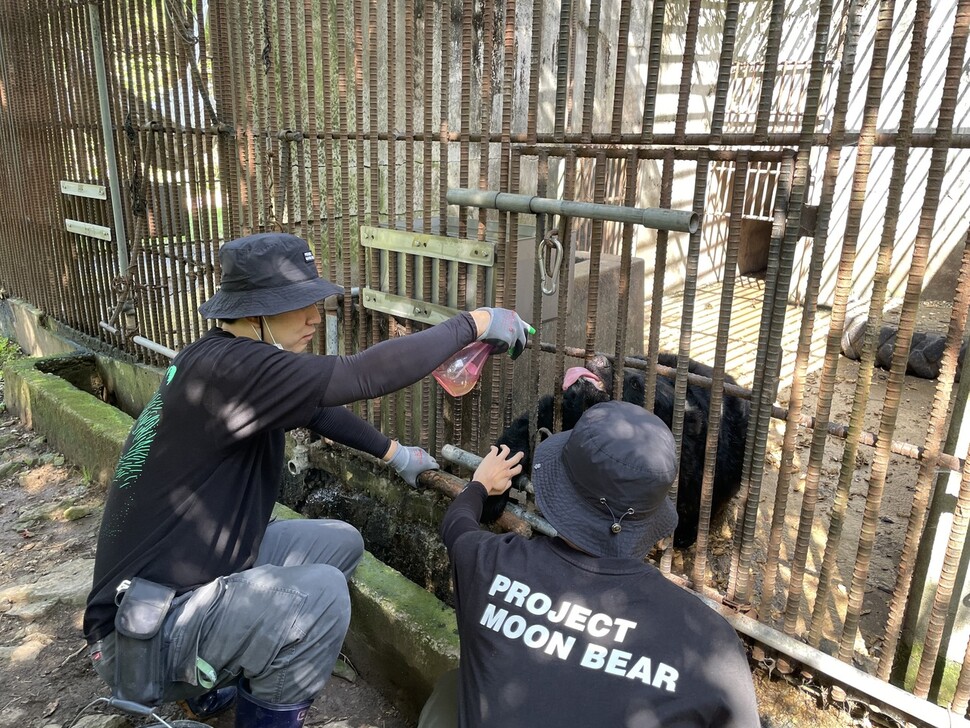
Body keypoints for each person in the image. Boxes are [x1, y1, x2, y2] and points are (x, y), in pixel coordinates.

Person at [82, 232, 531, 727]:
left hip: (179, 588)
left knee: (340, 543)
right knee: (320, 596)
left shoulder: (217, 357)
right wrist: (476, 323)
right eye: (297, 305)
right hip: (138, 638)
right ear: (253, 312)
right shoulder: (236, 368)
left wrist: (396, 453)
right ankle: (242, 705)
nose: (316, 316)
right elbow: (361, 375)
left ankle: (214, 681)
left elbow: (316, 410)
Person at [422, 400, 760, 727]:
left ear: (557, 486)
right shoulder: (714, 646)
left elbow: (457, 524)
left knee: (451, 691)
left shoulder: (488, 562)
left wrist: (480, 484)